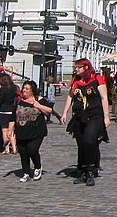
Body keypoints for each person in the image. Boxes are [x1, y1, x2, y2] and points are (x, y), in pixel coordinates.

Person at [61, 58, 110, 186]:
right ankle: (82, 170)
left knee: (89, 141)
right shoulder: (76, 81)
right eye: (75, 67)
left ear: (86, 67)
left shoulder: (96, 79)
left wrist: (106, 116)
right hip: (79, 116)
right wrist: (64, 112)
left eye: (79, 67)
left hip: (94, 115)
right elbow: (70, 96)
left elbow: (104, 98)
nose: (76, 69)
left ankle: (90, 171)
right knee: (81, 144)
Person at [14, 80, 54, 182]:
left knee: (32, 150)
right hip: (21, 131)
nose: (24, 90)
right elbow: (12, 116)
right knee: (23, 152)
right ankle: (26, 172)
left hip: (37, 131)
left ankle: (37, 167)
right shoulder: (18, 101)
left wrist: (38, 105)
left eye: (27, 89)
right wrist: (10, 130)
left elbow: (50, 110)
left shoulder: (39, 99)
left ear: (32, 91)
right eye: (23, 88)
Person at [0, 70, 19, 155]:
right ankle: (14, 148)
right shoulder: (14, 88)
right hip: (12, 110)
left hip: (4, 110)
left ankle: (6, 149)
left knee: (4, 131)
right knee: (11, 131)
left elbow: (0, 100)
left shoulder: (3, 89)